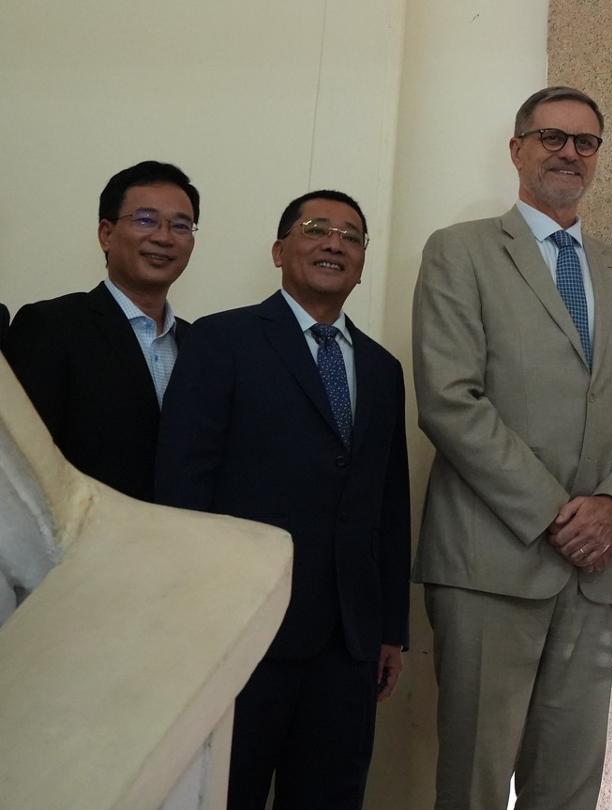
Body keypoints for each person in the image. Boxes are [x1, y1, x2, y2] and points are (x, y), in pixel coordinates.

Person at [412, 85, 612, 809]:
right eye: (552, 137)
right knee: (475, 781)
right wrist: (561, 514)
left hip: (594, 575)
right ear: (518, 148)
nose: (569, 153)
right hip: (490, 560)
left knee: (570, 787)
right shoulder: (459, 253)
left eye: (585, 142)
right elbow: (450, 400)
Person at [155, 190, 410, 809]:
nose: (334, 244)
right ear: (279, 250)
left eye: (351, 236)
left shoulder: (381, 368)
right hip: (242, 631)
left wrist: (390, 629)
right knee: (225, 795)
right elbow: (182, 485)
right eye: (316, 229)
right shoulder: (223, 340)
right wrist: (190, 617)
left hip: (348, 646)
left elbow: (389, 502)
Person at [3, 161, 199, 502]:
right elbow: (22, 465)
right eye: (145, 220)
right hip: (86, 545)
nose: (164, 237)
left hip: (179, 544)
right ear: (106, 234)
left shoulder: (199, 342)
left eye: (180, 226)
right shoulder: (51, 326)